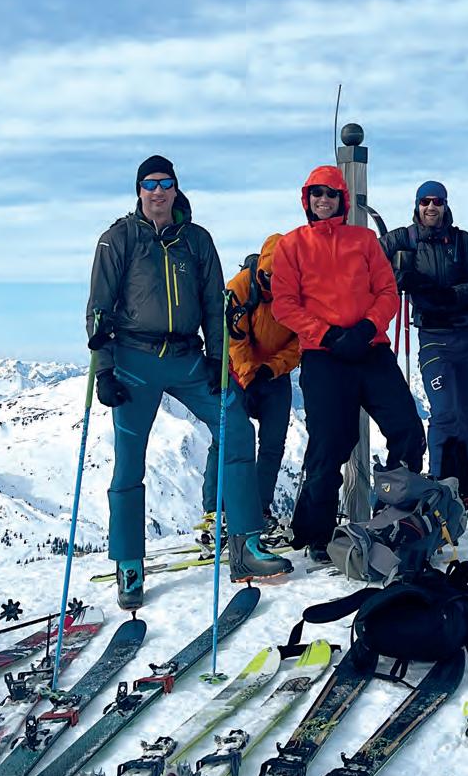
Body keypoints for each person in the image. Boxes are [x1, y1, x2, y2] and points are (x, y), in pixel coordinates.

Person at [85, 154, 292, 609]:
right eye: (149, 184)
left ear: (176, 189)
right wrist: (104, 369)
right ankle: (129, 562)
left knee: (236, 426)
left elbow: (215, 304)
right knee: (129, 461)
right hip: (134, 358)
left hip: (187, 357)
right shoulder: (117, 239)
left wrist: (219, 359)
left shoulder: (197, 241)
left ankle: (246, 544)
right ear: (139, 191)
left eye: (165, 183)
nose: (158, 191)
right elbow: (99, 310)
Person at [271, 166, 426, 566]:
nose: (324, 200)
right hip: (324, 355)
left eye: (331, 194)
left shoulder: (364, 240)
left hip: (370, 349)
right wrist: (325, 334)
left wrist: (367, 327)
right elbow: (284, 304)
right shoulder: (292, 245)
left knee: (408, 430)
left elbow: (387, 291)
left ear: (341, 199)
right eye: (317, 193)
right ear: (307, 198)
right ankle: (317, 534)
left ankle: (394, 517)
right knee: (329, 444)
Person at [380, 182, 468, 517]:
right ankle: (441, 483)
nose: (431, 207)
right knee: (443, 413)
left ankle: (465, 491)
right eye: (425, 201)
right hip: (433, 338)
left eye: (437, 202)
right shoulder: (404, 238)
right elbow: (369, 256)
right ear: (417, 205)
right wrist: (399, 275)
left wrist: (448, 295)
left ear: (445, 205)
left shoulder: (462, 241)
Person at [202, 233, 301, 539]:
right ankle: (215, 513)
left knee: (272, 443)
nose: (274, 284)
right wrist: (249, 373)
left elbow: (303, 341)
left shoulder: (302, 291)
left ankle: (259, 510)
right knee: (225, 438)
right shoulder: (240, 288)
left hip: (274, 375)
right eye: (270, 277)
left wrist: (272, 368)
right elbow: (234, 338)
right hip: (237, 373)